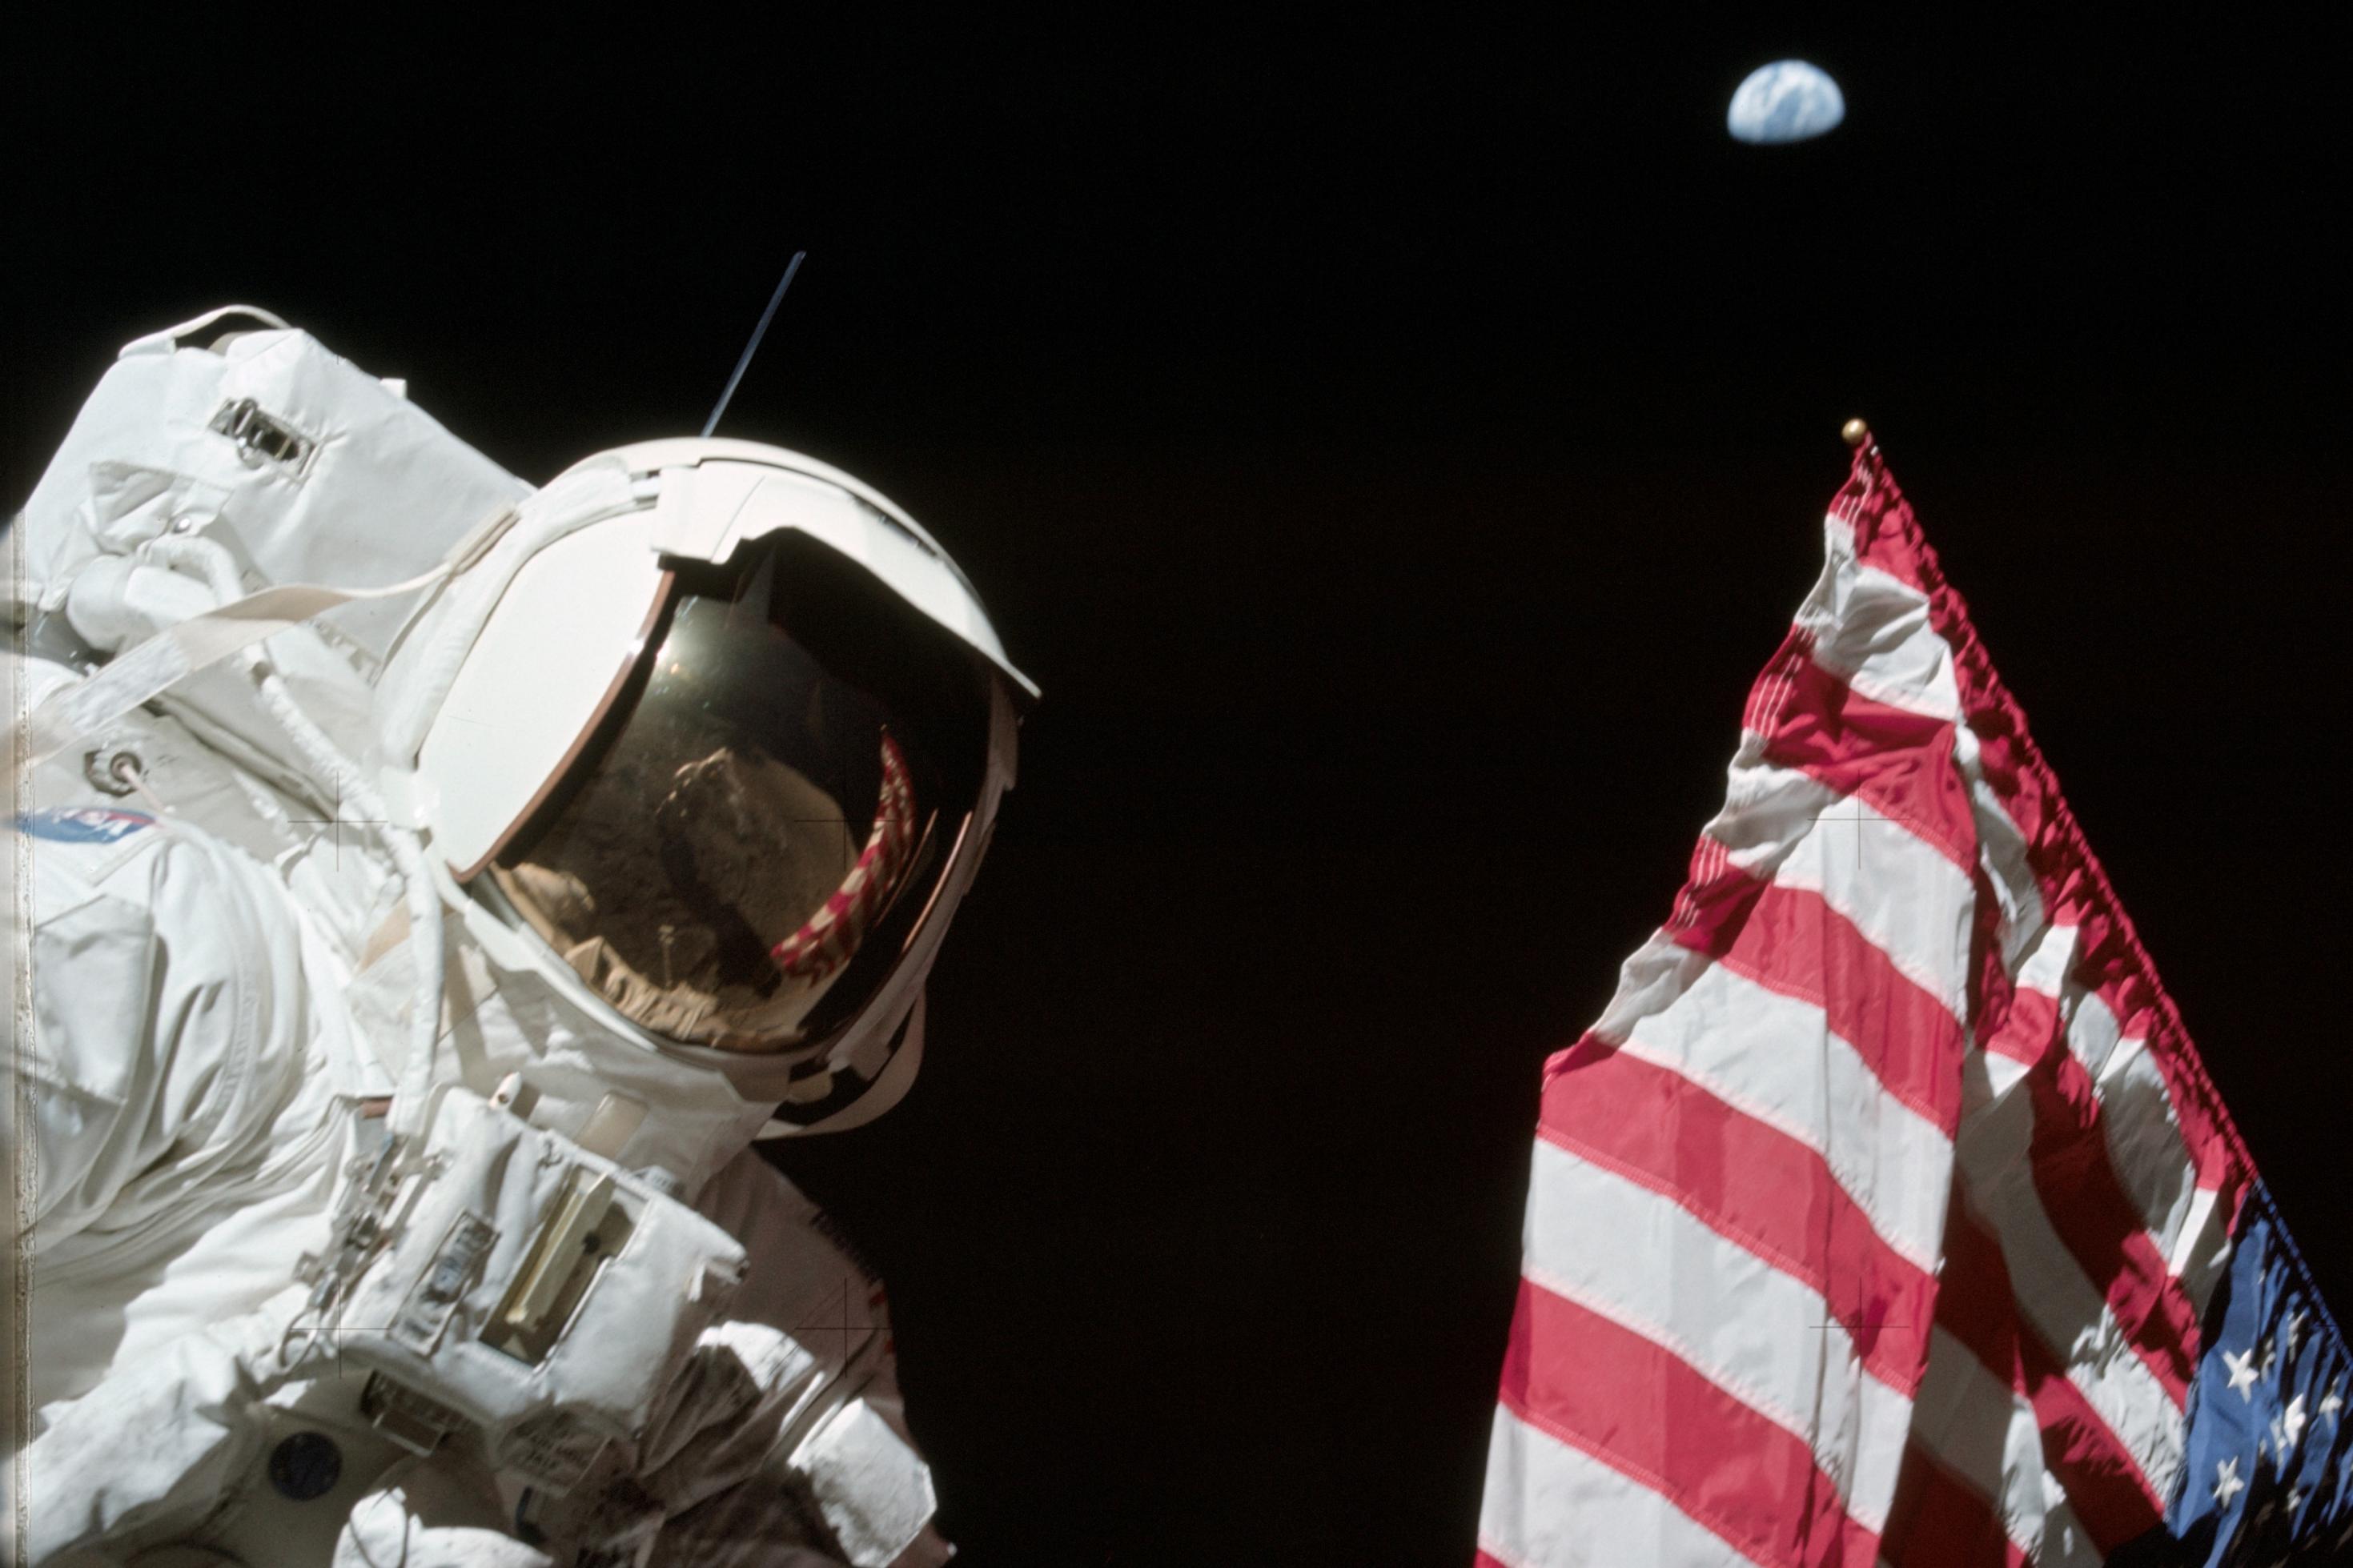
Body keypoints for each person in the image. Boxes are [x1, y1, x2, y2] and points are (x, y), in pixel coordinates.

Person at [6, 306, 1034, 1566]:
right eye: (680, 794)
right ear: (524, 673)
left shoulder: (761, 1320)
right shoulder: (192, 972)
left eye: (795, 848)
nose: (720, 864)